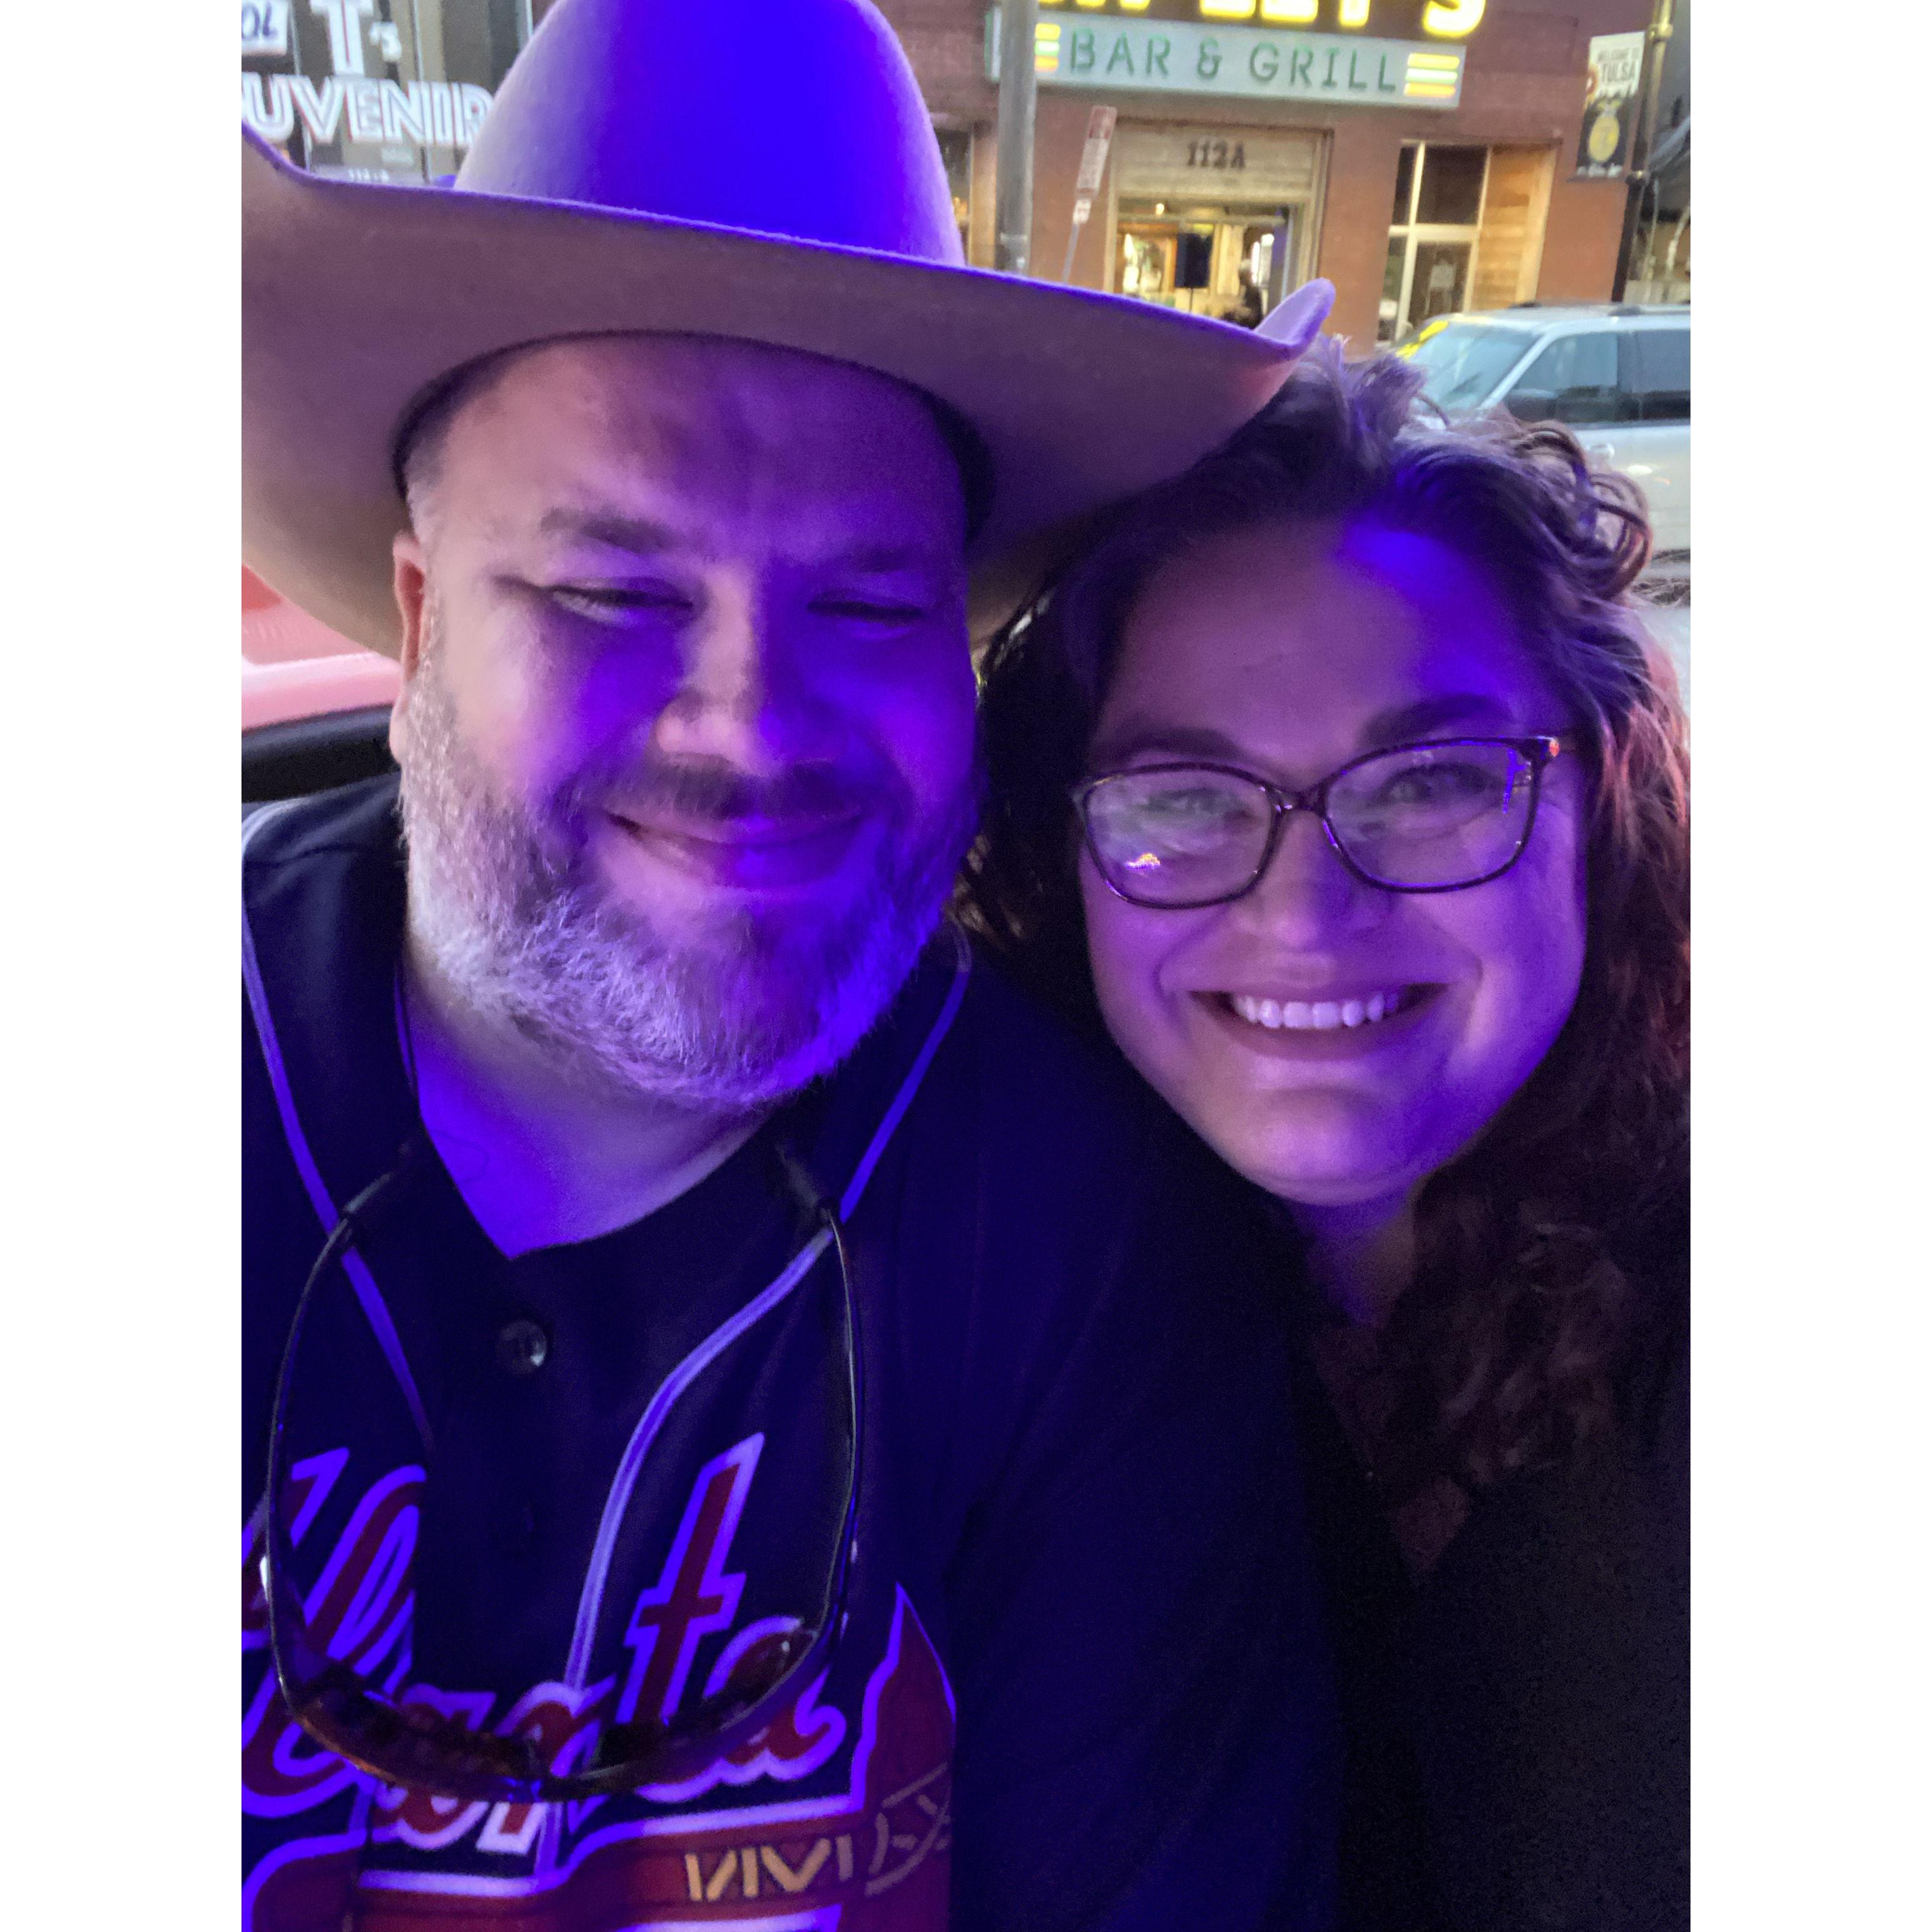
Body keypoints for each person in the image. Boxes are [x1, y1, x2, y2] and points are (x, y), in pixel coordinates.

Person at [240, 3, 1343, 1928]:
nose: (754, 731)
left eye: (867, 601)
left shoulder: (1088, 1243)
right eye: (610, 592)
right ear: (418, 622)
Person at [964, 345, 1689, 1931]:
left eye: (1429, 778)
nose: (1305, 911)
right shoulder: (1060, 1321)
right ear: (1058, 859)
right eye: (1180, 797)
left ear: (1600, 797)